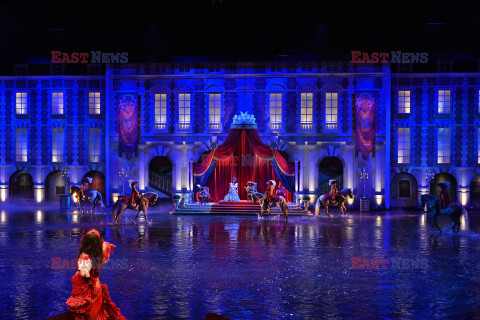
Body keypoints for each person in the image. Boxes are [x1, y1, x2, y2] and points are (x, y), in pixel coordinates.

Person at [66, 229, 126, 320]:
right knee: (98, 306)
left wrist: (81, 271)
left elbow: (83, 273)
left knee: (88, 309)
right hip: (96, 284)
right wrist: (109, 245)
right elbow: (104, 245)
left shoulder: (85, 256)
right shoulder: (98, 251)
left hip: (87, 286)